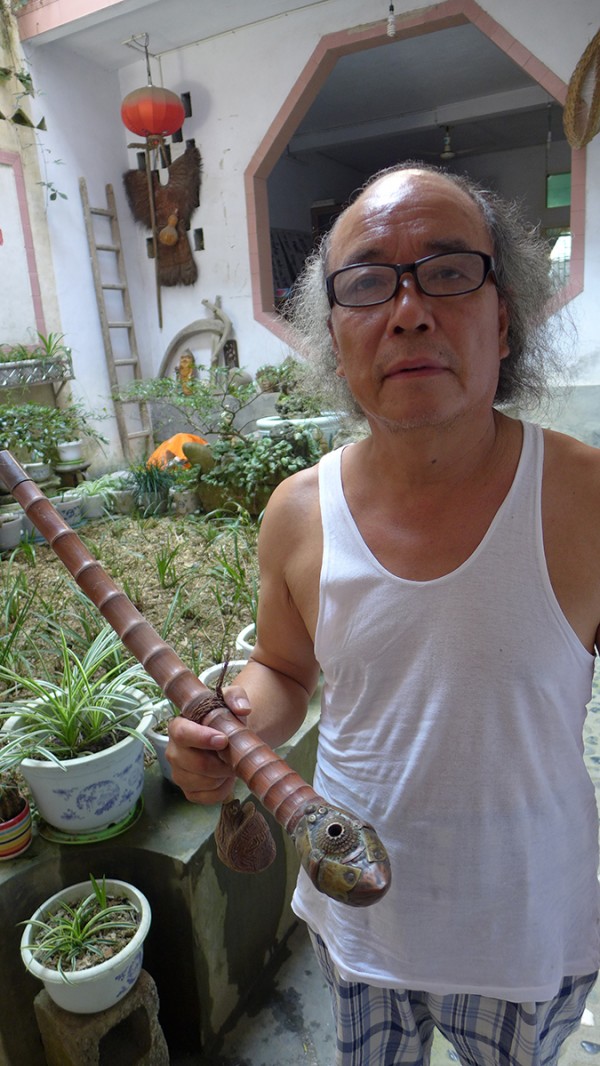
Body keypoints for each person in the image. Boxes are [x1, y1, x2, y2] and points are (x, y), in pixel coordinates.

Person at [167, 162, 600, 1065]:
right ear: (335, 334)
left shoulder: (584, 498)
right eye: (367, 283)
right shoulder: (297, 512)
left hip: (523, 931)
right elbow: (284, 671)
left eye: (449, 271)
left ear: (505, 315)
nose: (408, 311)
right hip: (355, 916)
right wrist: (236, 727)